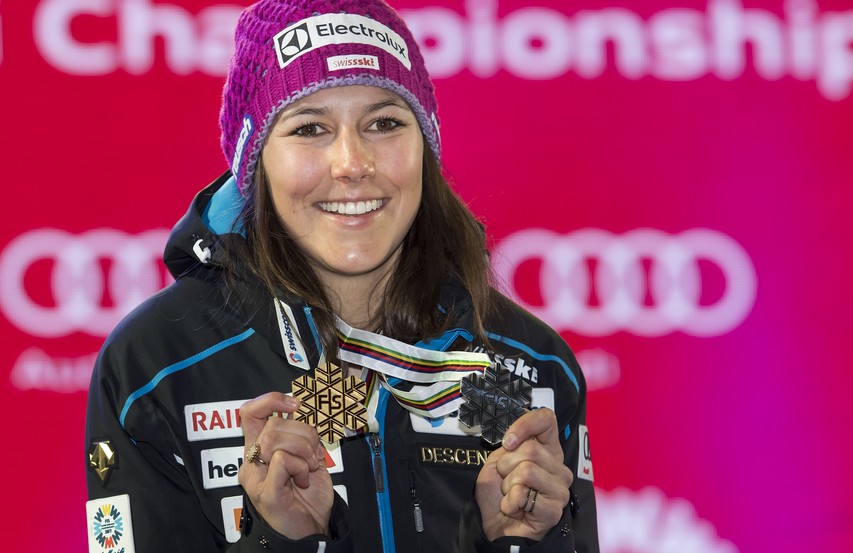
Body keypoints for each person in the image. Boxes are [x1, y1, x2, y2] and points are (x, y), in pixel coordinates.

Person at [84, 0, 599, 551]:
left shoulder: (530, 367)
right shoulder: (156, 368)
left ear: (425, 147)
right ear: (253, 163)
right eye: (309, 129)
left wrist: (527, 543)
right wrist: (281, 540)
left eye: (384, 123)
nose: (352, 163)